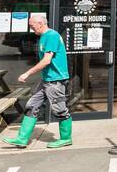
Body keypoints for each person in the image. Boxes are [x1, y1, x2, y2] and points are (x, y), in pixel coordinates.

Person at [5, 12, 72, 149]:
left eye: (32, 25)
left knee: (60, 110)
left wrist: (27, 73)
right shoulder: (43, 37)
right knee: (32, 105)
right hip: (46, 80)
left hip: (55, 81)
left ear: (41, 24)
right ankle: (22, 139)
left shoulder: (51, 36)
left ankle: (66, 138)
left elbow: (46, 61)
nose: (31, 28)